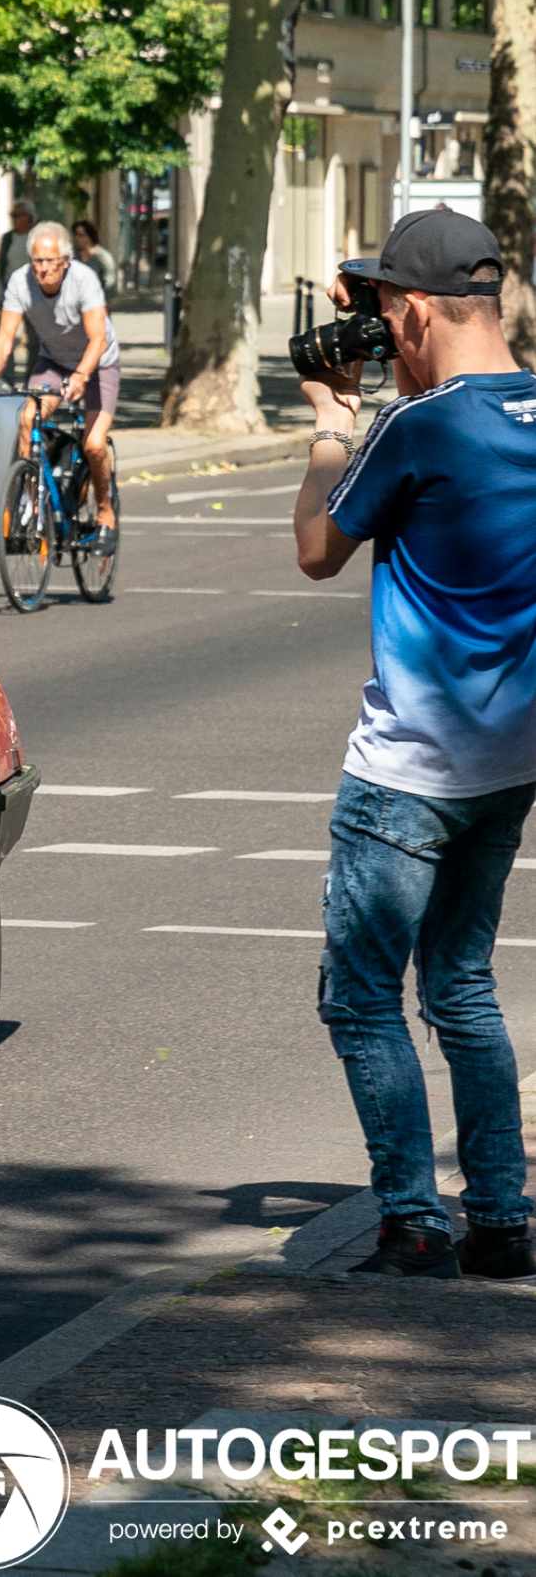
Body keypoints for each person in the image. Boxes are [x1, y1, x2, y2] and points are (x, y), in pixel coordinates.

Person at [292, 209, 536, 1282]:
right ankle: (499, 1215)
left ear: (419, 309)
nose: (379, 325)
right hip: (507, 761)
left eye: (386, 307)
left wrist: (327, 424)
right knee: (461, 989)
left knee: (358, 995)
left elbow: (315, 550)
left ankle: (408, 1220)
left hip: (406, 770)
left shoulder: (415, 430)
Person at [0, 220, 119, 536]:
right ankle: (32, 502)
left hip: (97, 363)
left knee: (94, 445)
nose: (43, 269)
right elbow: (5, 337)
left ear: (65, 261)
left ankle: (105, 510)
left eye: (50, 262)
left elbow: (98, 339)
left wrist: (82, 375)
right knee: (28, 417)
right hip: (53, 361)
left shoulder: (84, 280)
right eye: (37, 261)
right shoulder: (19, 282)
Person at [0, 199, 35, 303]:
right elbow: (1, 264)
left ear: (28, 217)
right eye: (12, 216)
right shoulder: (7, 238)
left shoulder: (37, 236)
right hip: (12, 289)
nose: (14, 219)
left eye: (17, 216)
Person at [72, 219, 114, 289]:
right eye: (75, 235)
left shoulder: (102, 257)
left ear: (90, 237)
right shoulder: (73, 256)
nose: (77, 238)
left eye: (80, 235)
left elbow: (109, 284)